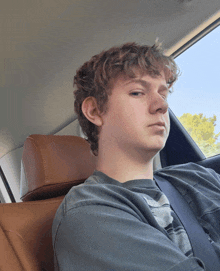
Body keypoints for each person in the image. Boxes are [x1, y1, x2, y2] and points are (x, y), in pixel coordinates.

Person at [52, 41, 220, 270]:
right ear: (94, 111)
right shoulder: (89, 213)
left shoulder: (199, 176)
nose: (162, 105)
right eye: (137, 92)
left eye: (164, 93)